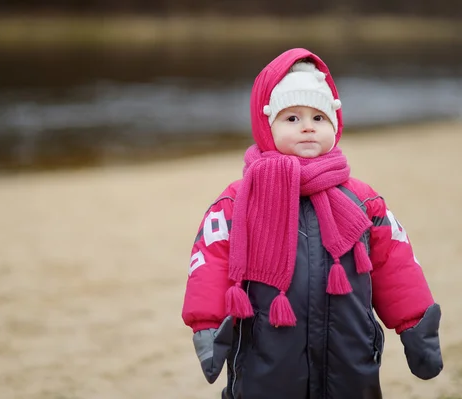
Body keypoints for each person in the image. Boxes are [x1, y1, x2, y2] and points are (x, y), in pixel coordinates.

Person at [181, 47, 443, 399]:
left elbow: (395, 262)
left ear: (334, 125)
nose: (307, 127)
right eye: (292, 118)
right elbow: (209, 260)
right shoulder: (238, 200)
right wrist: (207, 326)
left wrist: (416, 325)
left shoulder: (362, 200)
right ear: (266, 125)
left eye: (318, 118)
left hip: (349, 355)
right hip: (266, 360)